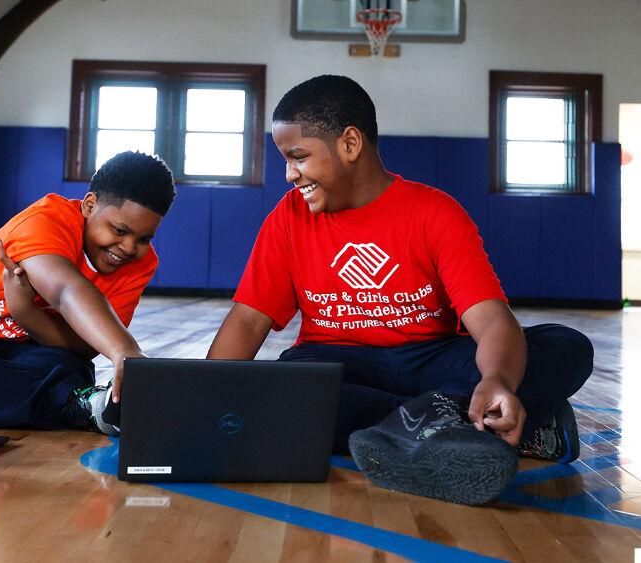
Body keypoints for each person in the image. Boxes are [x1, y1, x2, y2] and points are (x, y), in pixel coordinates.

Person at [207, 75, 593, 505]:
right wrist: (205, 394)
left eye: (298, 157)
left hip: (432, 358)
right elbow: (248, 317)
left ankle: (417, 427)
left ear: (350, 144)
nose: (289, 174)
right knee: (280, 388)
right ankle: (459, 424)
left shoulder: (435, 212)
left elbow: (490, 318)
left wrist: (498, 379)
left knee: (565, 346)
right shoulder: (289, 218)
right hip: (338, 360)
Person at [0, 151, 176, 436]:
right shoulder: (47, 220)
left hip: (30, 350)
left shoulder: (141, 264)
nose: (128, 247)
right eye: (119, 230)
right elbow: (65, 290)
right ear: (89, 205)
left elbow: (86, 347)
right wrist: (124, 350)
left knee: (69, 368)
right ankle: (75, 405)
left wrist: (27, 315)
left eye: (143, 238)